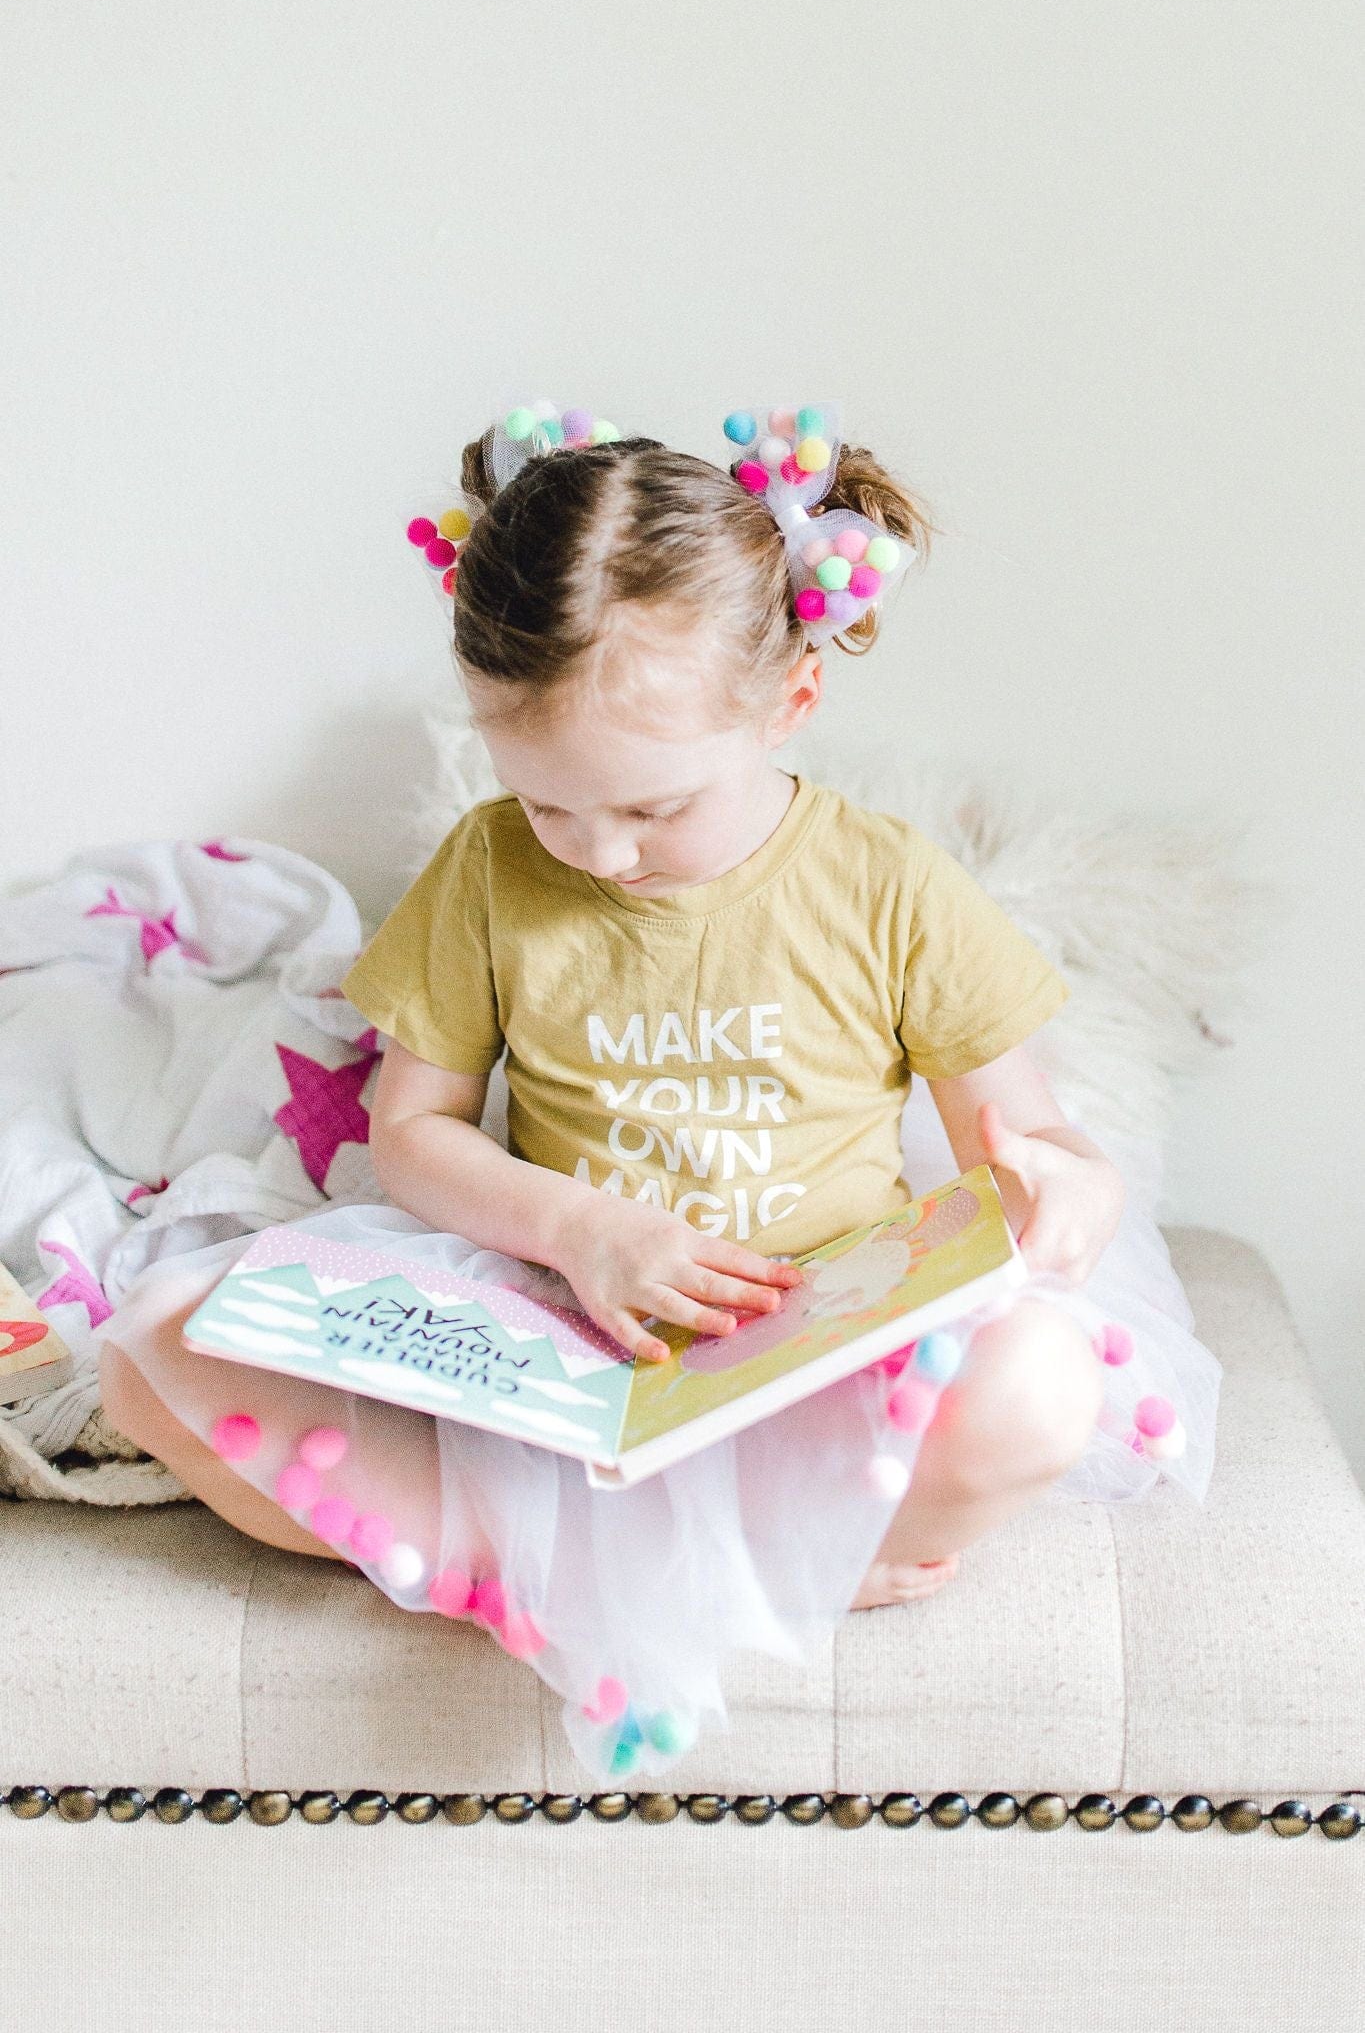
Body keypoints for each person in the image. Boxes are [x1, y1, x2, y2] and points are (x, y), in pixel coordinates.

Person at [97, 399, 1222, 1781]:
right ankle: (550, 1581)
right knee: (159, 1339)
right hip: (554, 1349)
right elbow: (415, 1133)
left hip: (815, 1345)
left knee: (1039, 1382)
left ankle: (764, 1548)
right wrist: (581, 1232)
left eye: (654, 807)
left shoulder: (886, 886)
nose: (602, 855)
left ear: (790, 699)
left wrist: (1065, 1192)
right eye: (552, 802)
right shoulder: (490, 866)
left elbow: (1038, 1136)